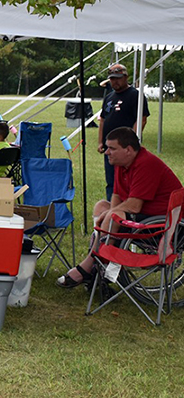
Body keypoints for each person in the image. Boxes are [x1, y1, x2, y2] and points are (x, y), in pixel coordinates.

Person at [57, 127, 181, 288]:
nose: (107, 152)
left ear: (128, 150)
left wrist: (111, 214)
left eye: (112, 148)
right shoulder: (122, 163)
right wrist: (110, 212)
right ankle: (101, 265)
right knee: (102, 206)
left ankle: (90, 266)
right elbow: (117, 195)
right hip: (146, 218)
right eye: (107, 147)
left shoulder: (146, 163)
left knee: (113, 215)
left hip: (163, 224)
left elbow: (135, 206)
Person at [98, 63, 149, 201]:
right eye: (112, 78)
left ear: (126, 77)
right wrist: (100, 141)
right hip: (109, 147)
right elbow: (102, 120)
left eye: (118, 78)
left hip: (125, 148)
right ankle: (111, 206)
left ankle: (126, 208)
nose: (115, 81)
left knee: (126, 181)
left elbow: (141, 119)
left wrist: (131, 141)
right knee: (111, 181)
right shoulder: (109, 97)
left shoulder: (135, 96)